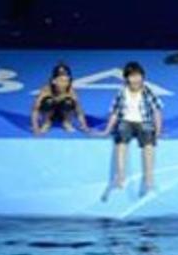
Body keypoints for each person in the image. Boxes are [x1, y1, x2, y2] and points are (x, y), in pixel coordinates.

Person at [99, 62, 164, 196]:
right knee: (121, 143)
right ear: (126, 78)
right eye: (132, 76)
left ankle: (149, 178)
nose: (136, 79)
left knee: (149, 145)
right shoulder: (122, 93)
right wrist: (107, 129)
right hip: (126, 121)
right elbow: (115, 113)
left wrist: (158, 130)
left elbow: (157, 111)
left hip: (144, 122)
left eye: (138, 76)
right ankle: (120, 175)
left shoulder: (148, 92)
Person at [30, 63, 89, 134]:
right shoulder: (46, 90)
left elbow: (79, 111)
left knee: (68, 102)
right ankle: (46, 122)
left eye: (67, 81)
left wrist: (84, 125)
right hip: (49, 112)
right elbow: (35, 110)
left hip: (63, 113)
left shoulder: (71, 91)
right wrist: (35, 127)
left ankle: (66, 122)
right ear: (54, 81)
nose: (65, 83)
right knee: (48, 101)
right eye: (61, 80)